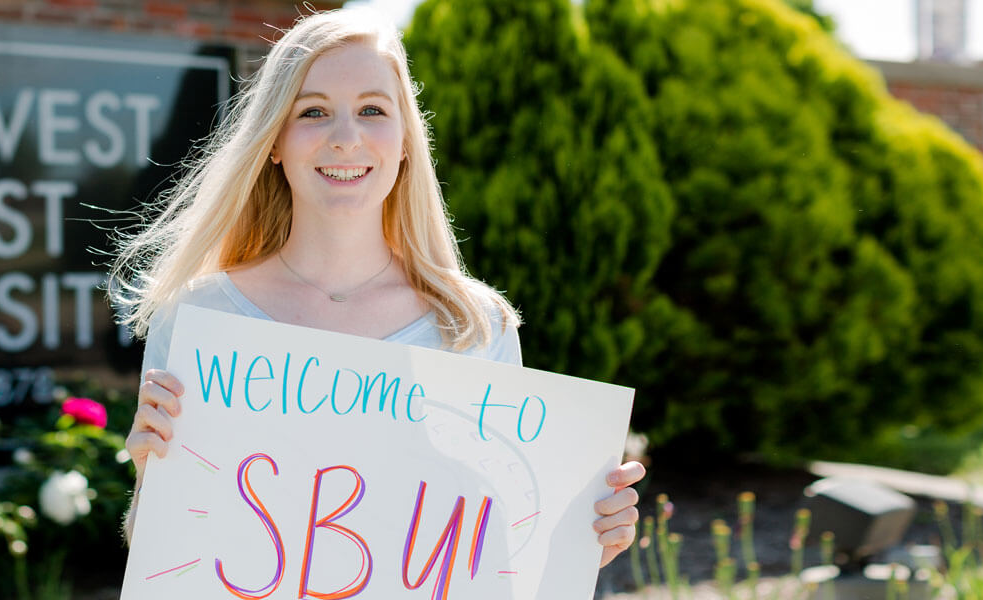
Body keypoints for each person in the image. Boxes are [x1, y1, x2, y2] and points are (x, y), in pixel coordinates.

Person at [108, 8, 646, 569]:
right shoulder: (202, 316)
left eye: (372, 110)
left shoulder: (471, 327)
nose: (347, 138)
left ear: (406, 139)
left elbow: (498, 554)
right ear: (274, 141)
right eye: (313, 111)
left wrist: (583, 540)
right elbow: (168, 555)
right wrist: (152, 476)